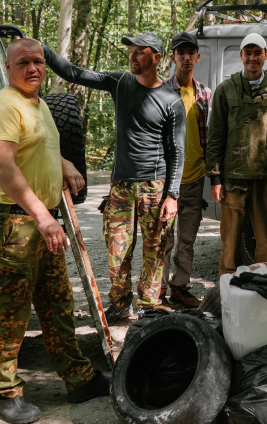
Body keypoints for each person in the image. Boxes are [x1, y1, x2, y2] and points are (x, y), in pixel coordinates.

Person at [0, 38, 108, 424]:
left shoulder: (39, 103)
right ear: (7, 67)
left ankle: (79, 379)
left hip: (41, 221)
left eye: (38, 62)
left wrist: (64, 162)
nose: (33, 68)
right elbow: (3, 167)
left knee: (57, 305)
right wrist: (43, 217)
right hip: (13, 224)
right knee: (10, 312)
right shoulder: (2, 106)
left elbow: (39, 147)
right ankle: (7, 393)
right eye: (23, 63)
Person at [42, 32, 185, 321]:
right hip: (121, 186)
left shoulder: (172, 101)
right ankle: (121, 303)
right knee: (117, 249)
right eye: (130, 50)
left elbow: (177, 152)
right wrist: (41, 49)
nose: (132, 55)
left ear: (156, 58)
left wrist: (172, 194)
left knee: (155, 250)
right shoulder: (120, 83)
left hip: (155, 188)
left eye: (139, 51)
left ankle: (149, 304)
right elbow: (72, 72)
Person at [205, 33, 267, 275]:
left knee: (266, 240)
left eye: (257, 53)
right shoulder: (226, 89)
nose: (252, 58)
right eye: (248, 53)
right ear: (241, 55)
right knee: (229, 241)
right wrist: (215, 177)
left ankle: (262, 291)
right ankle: (226, 292)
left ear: (265, 55)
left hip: (266, 178)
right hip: (232, 178)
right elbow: (216, 135)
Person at [160, 32, 211, 310]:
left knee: (187, 240)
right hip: (167, 180)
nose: (187, 58)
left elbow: (210, 136)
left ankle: (179, 287)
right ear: (173, 58)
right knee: (162, 241)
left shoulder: (205, 93)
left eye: (191, 53)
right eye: (181, 53)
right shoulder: (162, 90)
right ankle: (158, 292)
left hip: (194, 177)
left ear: (197, 57)